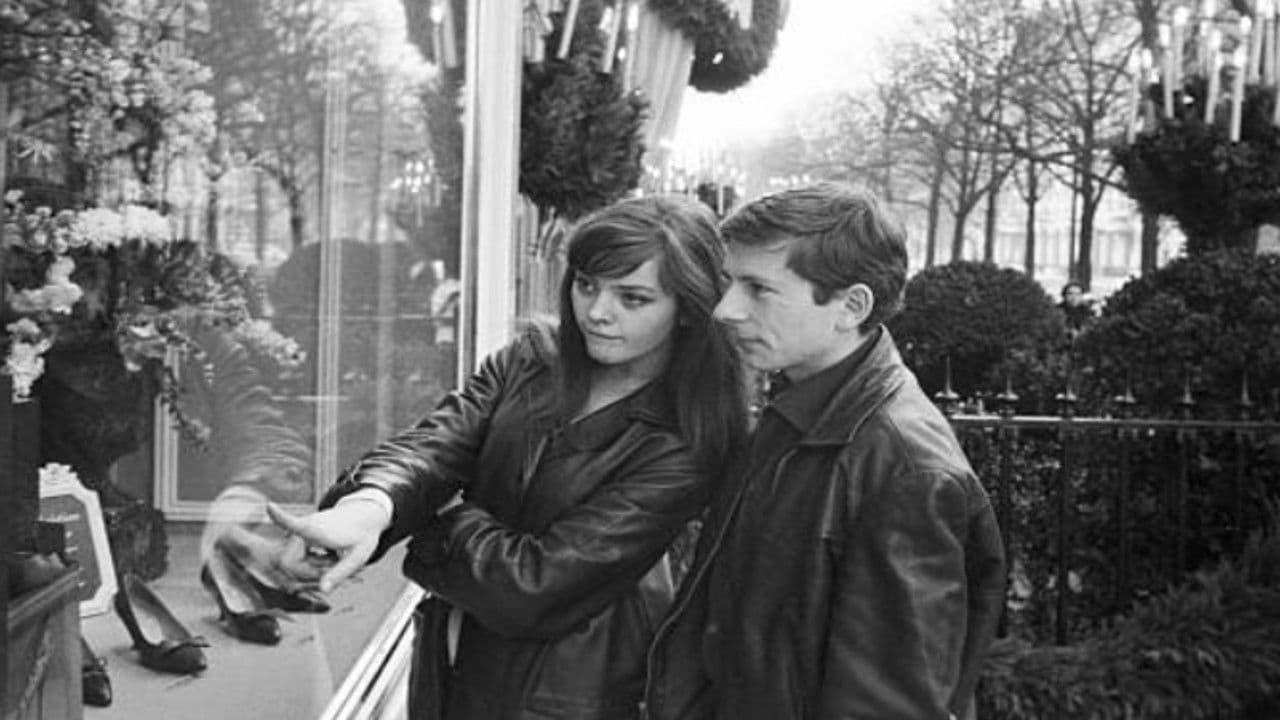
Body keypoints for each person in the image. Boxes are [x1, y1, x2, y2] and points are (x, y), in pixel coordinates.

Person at [268, 194, 747, 720]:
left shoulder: (689, 439)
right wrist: (369, 505)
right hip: (454, 657)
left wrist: (436, 517)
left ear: (688, 310)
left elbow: (536, 586)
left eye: (633, 299)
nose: (597, 312)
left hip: (568, 692)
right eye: (587, 285)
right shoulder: (532, 359)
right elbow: (438, 443)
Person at [643, 183, 1007, 720]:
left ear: (851, 306)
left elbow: (887, 704)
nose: (725, 310)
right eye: (730, 282)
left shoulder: (903, 469)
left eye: (758, 289)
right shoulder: (804, 408)